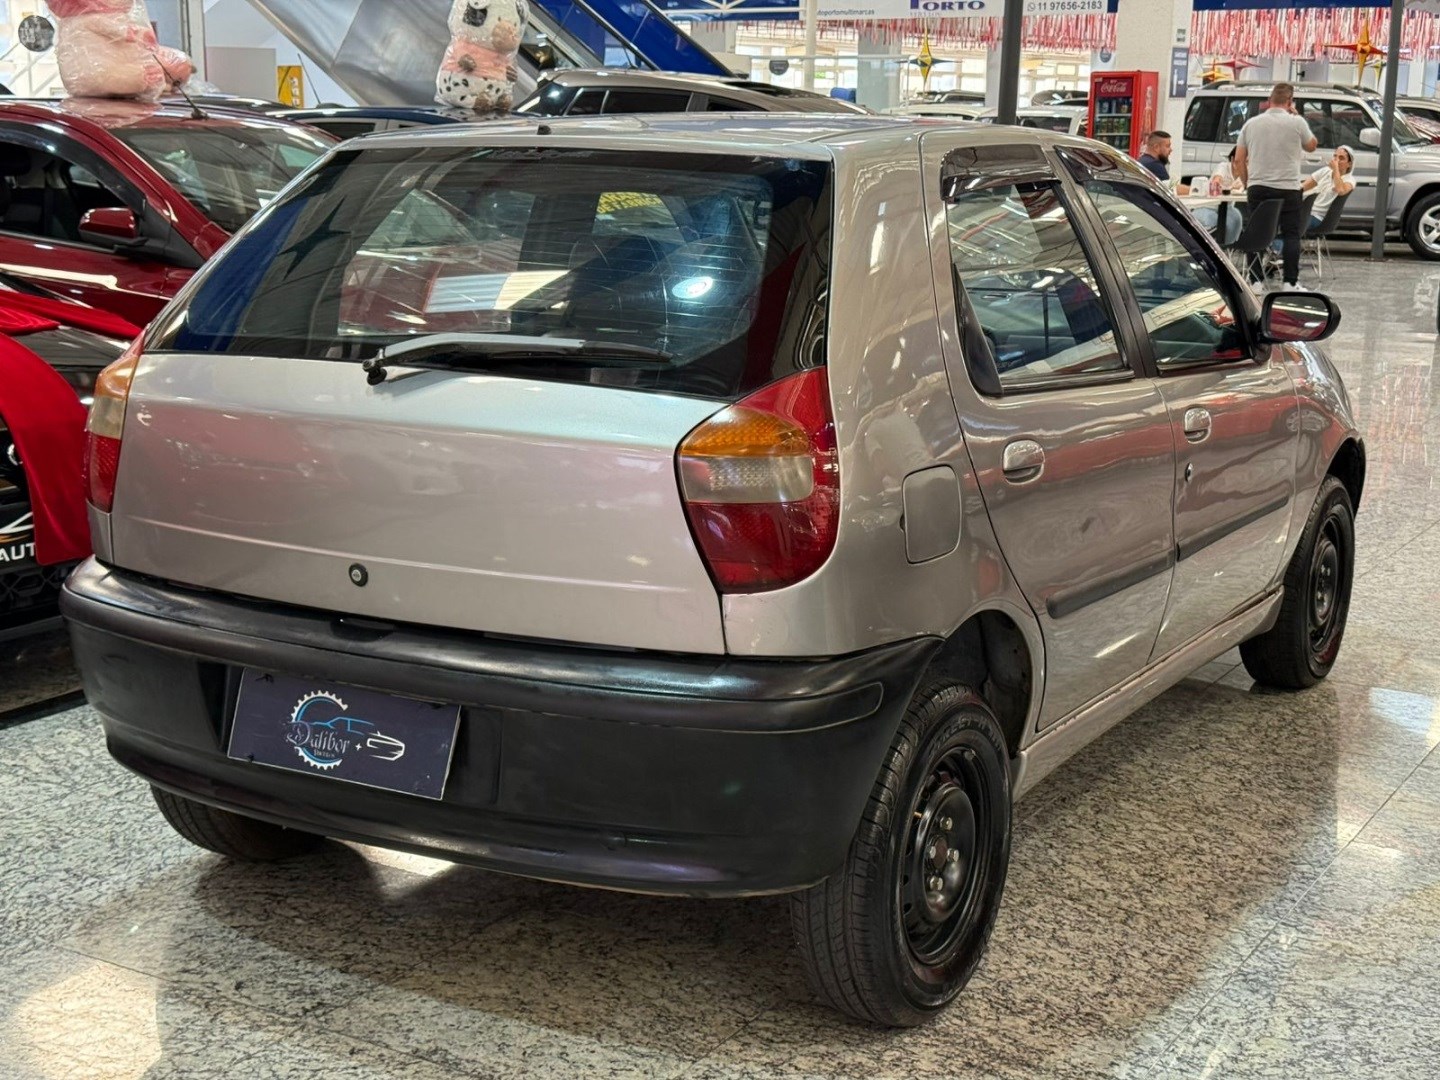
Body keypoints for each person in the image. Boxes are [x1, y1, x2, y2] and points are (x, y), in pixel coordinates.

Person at [1234, 83, 1319, 288]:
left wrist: (1247, 183)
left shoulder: (1251, 124)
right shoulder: (1297, 122)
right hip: (1288, 188)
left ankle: (1255, 281)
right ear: (1290, 102)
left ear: (1269, 101)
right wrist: (1297, 116)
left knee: (1256, 233)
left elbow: (1238, 159)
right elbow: (1312, 146)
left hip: (1258, 187)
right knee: (1291, 235)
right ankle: (1290, 282)